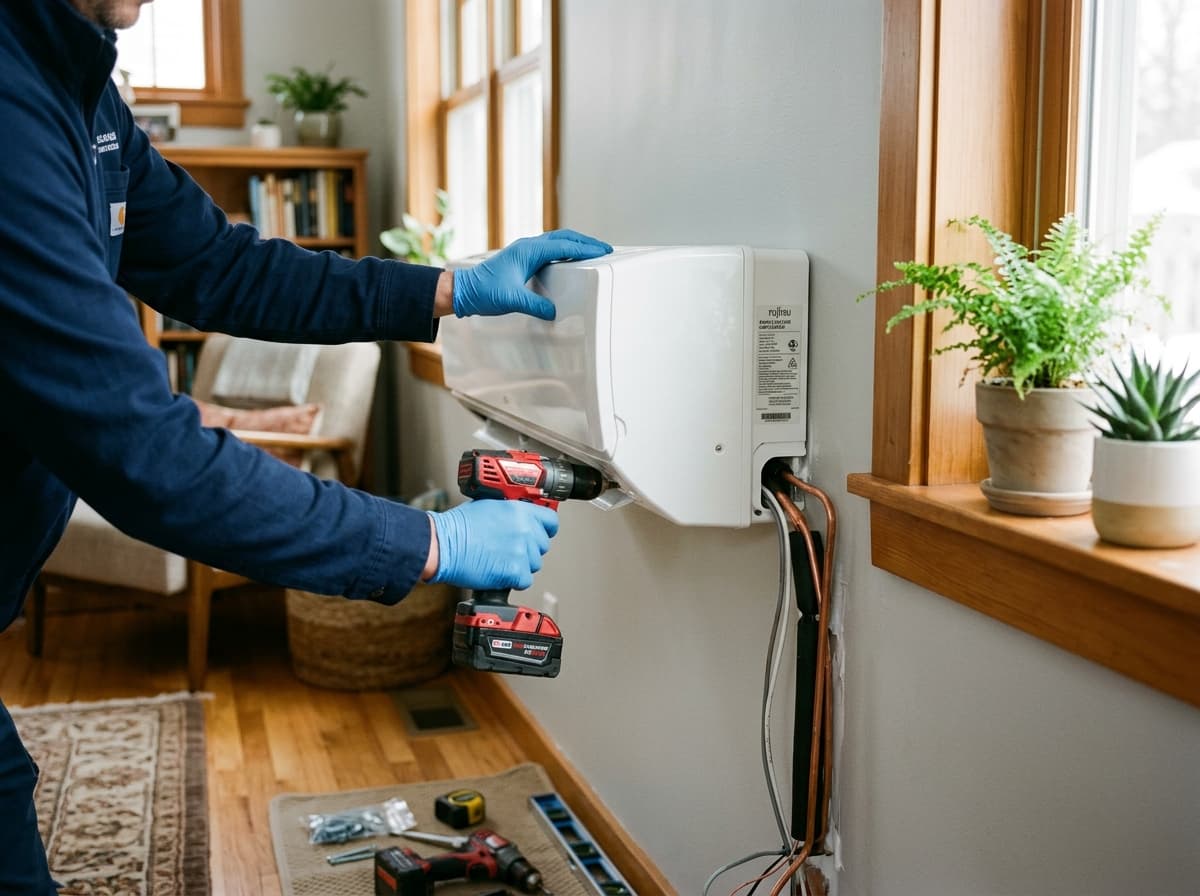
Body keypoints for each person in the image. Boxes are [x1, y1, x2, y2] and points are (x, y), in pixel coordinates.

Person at [0, 0, 613, 890]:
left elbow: (224, 268)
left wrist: (447, 289)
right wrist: (432, 541)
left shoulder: (81, 93)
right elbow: (141, 451)